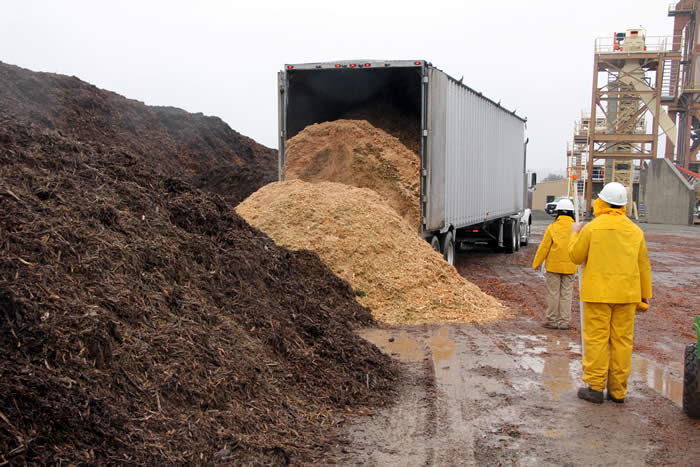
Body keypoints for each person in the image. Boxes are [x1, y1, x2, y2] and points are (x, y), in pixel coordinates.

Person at [568, 182, 652, 404]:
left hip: (597, 294)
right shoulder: (636, 232)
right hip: (626, 296)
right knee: (622, 342)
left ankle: (595, 388)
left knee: (597, 340)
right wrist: (644, 296)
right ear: (623, 205)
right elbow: (643, 265)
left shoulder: (592, 228)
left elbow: (576, 257)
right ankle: (618, 391)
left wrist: (574, 234)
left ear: (602, 202)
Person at [532, 198, 578, 330]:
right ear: (571, 212)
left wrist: (537, 263)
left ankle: (551, 321)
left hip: (553, 267)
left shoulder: (552, 227)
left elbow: (544, 248)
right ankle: (564, 322)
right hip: (570, 266)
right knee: (566, 294)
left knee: (553, 294)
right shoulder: (576, 228)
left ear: (557, 213)